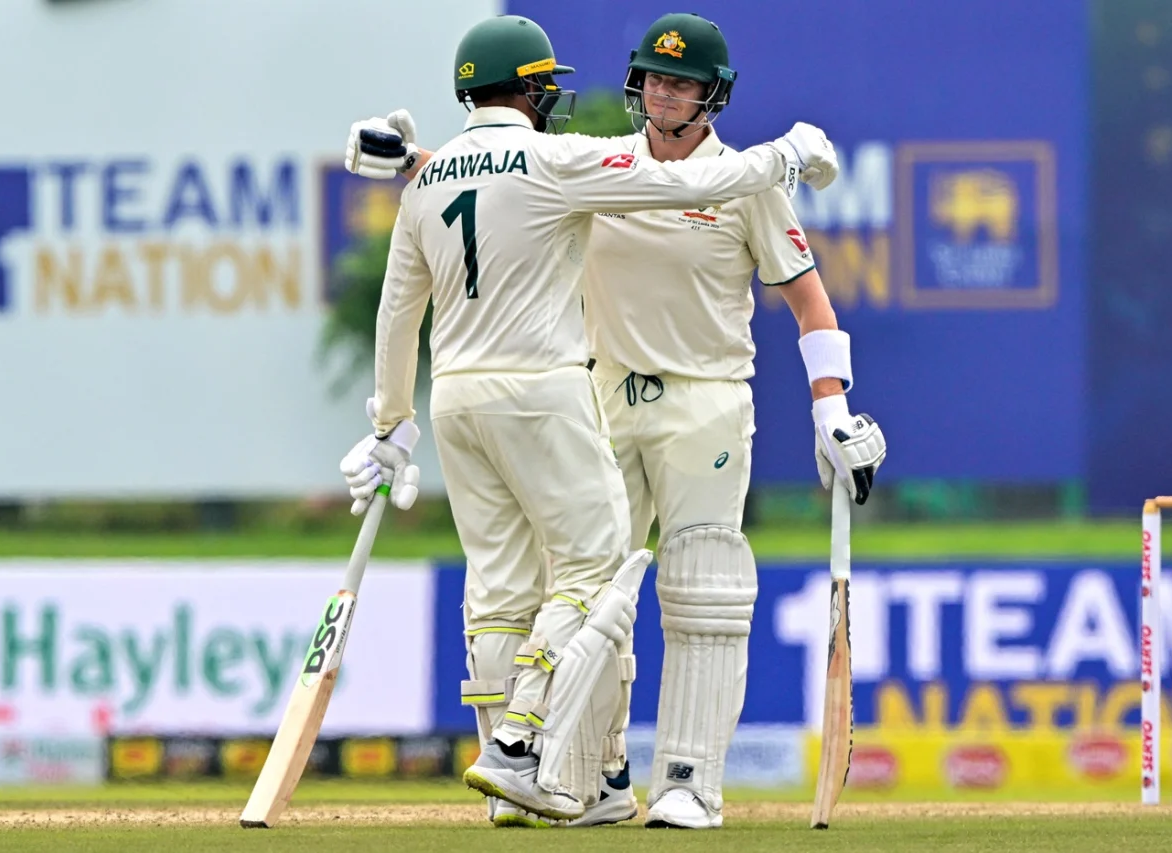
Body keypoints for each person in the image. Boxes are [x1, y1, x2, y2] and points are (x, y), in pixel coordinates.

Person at [336, 13, 845, 823]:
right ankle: (556, 764)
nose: (663, 93)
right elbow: (556, 179)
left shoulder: (464, 181)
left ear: (712, 93)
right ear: (536, 90)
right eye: (654, 78)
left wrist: (392, 419)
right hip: (583, 392)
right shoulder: (579, 161)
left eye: (681, 81)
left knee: (694, 585)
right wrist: (785, 153)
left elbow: (429, 271)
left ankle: (681, 780)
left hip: (693, 397)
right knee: (589, 575)